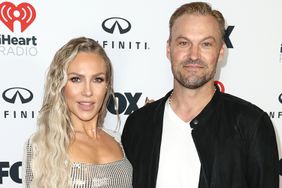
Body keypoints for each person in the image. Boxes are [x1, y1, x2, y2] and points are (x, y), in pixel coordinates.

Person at [121, 2, 279, 188]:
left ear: (220, 52)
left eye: (205, 44)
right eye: (183, 43)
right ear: (168, 49)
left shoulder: (251, 124)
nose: (194, 55)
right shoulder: (139, 124)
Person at [22, 37, 132, 188]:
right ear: (60, 85)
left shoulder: (119, 141)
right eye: (76, 79)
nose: (87, 91)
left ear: (107, 85)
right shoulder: (42, 144)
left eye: (97, 80)